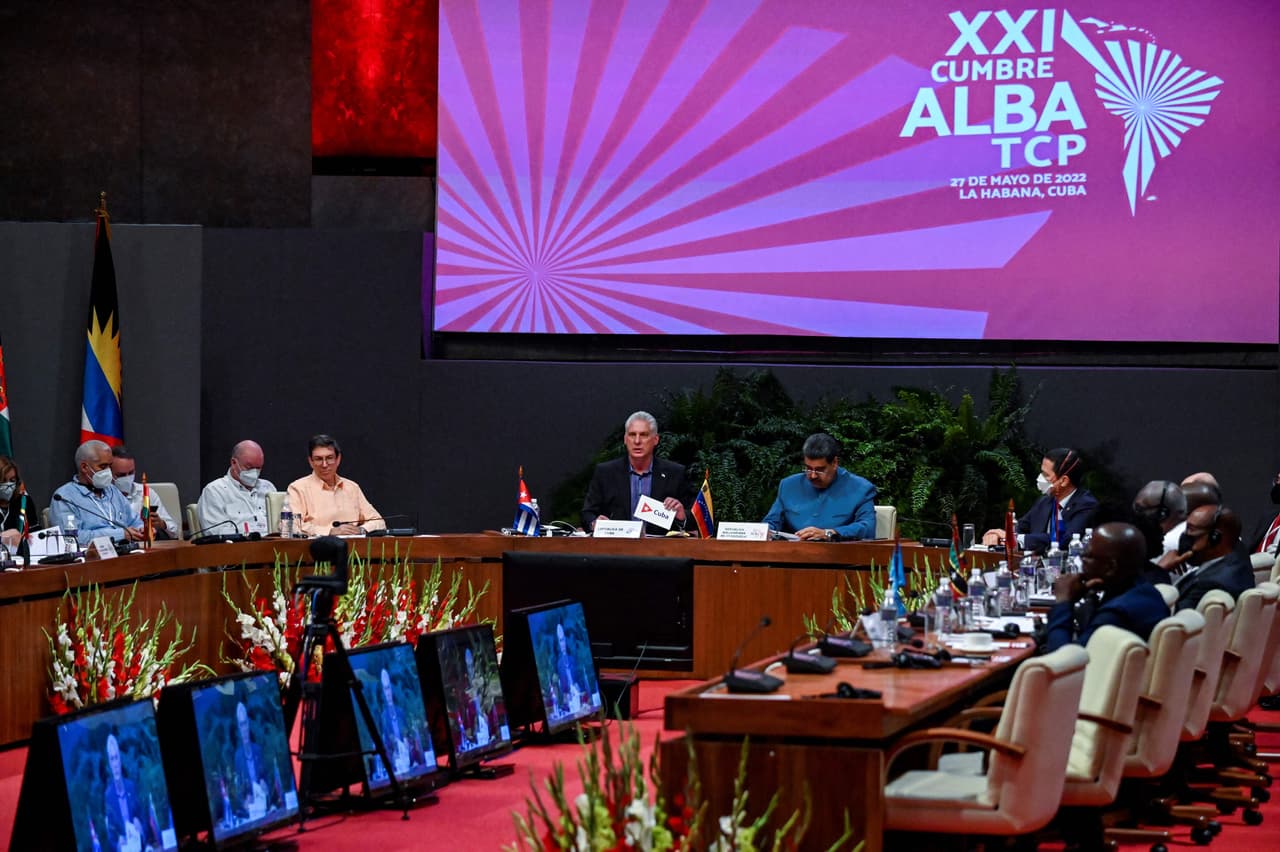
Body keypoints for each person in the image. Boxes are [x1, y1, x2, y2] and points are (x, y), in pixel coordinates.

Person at [1043, 522, 1169, 652]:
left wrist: (1063, 602)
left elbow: (1063, 660)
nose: (1082, 559)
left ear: (1110, 567)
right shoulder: (1146, 592)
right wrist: (1089, 596)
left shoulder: (1116, 614)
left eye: (1088, 556)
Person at [581, 411, 694, 534]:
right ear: (625, 439)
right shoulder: (605, 472)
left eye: (644, 435)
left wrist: (682, 517)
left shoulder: (675, 473)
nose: (637, 441)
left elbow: (693, 519)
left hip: (660, 550)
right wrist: (594, 523)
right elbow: (587, 513)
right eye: (632, 434)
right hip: (616, 547)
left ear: (655, 439)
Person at [763, 433, 876, 541]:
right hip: (792, 554)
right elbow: (771, 522)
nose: (812, 475)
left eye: (820, 470)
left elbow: (868, 527)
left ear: (835, 463)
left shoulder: (861, 489)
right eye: (808, 468)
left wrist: (829, 533)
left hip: (837, 555)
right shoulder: (788, 485)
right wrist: (764, 531)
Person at [983, 447, 1098, 554]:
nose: (1040, 478)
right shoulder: (1044, 501)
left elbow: (1065, 539)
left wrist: (1012, 538)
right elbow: (1021, 528)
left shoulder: (1086, 505)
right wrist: (998, 536)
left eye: (1045, 475)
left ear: (1064, 481)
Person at [287, 435, 384, 536]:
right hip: (317, 547)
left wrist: (361, 530)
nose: (324, 464)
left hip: (354, 547)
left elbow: (379, 522)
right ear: (311, 462)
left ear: (338, 459)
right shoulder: (298, 488)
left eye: (329, 458)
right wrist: (329, 532)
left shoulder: (352, 487)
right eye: (318, 459)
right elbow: (291, 526)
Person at [51, 441, 144, 545]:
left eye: (110, 466)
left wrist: (141, 529)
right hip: (91, 557)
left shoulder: (112, 490)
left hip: (125, 553)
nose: (108, 471)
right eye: (103, 467)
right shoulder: (64, 497)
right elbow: (71, 538)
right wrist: (120, 534)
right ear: (84, 467)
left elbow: (134, 521)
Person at [1166, 504, 1254, 612]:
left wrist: (1159, 571)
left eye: (1191, 530)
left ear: (1215, 538)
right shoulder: (1237, 551)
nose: (1185, 537)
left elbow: (1168, 621)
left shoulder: (1209, 585)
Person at [197, 440, 276, 536]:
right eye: (249, 467)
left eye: (258, 468)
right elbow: (216, 534)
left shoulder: (268, 488)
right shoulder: (215, 491)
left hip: (272, 546)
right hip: (237, 548)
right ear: (234, 463)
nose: (254, 473)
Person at [109, 445, 178, 540]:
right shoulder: (103, 496)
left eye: (131, 473)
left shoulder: (146, 493)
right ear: (109, 473)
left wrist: (161, 524)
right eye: (121, 475)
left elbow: (175, 531)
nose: (127, 478)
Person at [102, 731, 150, 851]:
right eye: (112, 759)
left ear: (120, 760)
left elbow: (145, 822)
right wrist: (118, 845)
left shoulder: (131, 787)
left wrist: (142, 830)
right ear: (109, 763)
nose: (115, 764)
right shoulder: (108, 796)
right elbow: (111, 838)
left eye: (116, 757)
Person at [1131, 480, 1188, 560]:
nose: (1135, 513)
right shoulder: (1186, 529)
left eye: (1139, 509)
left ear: (1162, 514)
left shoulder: (1168, 544)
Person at [232, 700, 268, 817]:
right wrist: (244, 803)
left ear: (249, 725)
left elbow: (268, 781)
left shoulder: (258, 750)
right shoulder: (237, 758)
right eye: (241, 725)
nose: (244, 729)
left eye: (246, 723)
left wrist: (266, 786)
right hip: (249, 811)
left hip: (263, 807)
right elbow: (237, 792)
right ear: (239, 728)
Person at [0, 455, 38, 550]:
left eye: (12, 480)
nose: (8, 485)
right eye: (3, 481)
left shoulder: (23, 502)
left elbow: (35, 532)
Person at [553, 621, 584, 717]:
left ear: (566, 641)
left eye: (563, 640)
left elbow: (580, 679)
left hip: (579, 695)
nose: (562, 644)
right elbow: (562, 688)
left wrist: (580, 689)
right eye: (560, 641)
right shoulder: (559, 664)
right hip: (569, 700)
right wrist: (566, 695)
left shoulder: (573, 659)